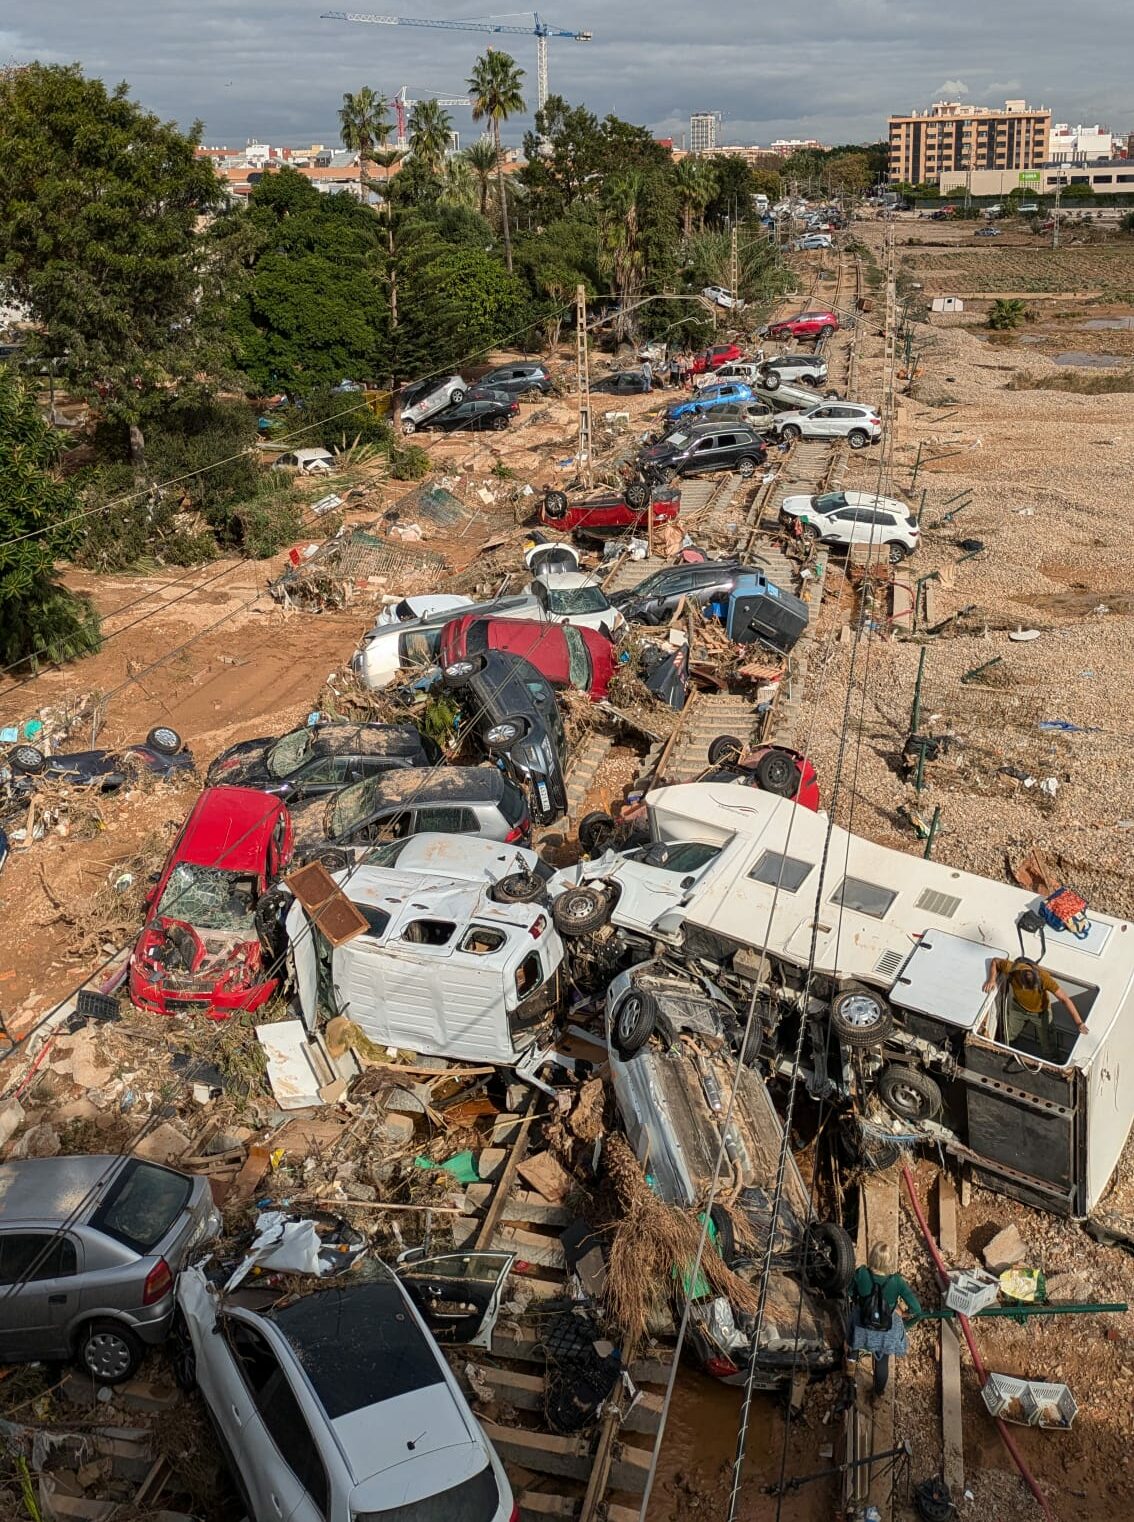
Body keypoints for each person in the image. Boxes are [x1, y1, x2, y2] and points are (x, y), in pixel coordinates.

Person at [847, 1243, 922, 1396]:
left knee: (852, 1342)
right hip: (885, 1328)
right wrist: (903, 1314)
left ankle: (849, 1374)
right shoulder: (897, 1281)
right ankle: (877, 1392)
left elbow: (849, 1292)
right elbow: (917, 1309)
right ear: (890, 1261)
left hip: (863, 1324)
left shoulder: (861, 1273)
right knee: (882, 1362)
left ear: (872, 1257)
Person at [983, 956, 1087, 1060]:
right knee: (1008, 1036)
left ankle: (1052, 1059)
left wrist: (1079, 1023)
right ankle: (1005, 1053)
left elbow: (1065, 999)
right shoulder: (1012, 968)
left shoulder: (1044, 978)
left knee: (1048, 1046)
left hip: (1041, 1013)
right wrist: (991, 979)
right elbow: (995, 961)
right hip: (1018, 1008)